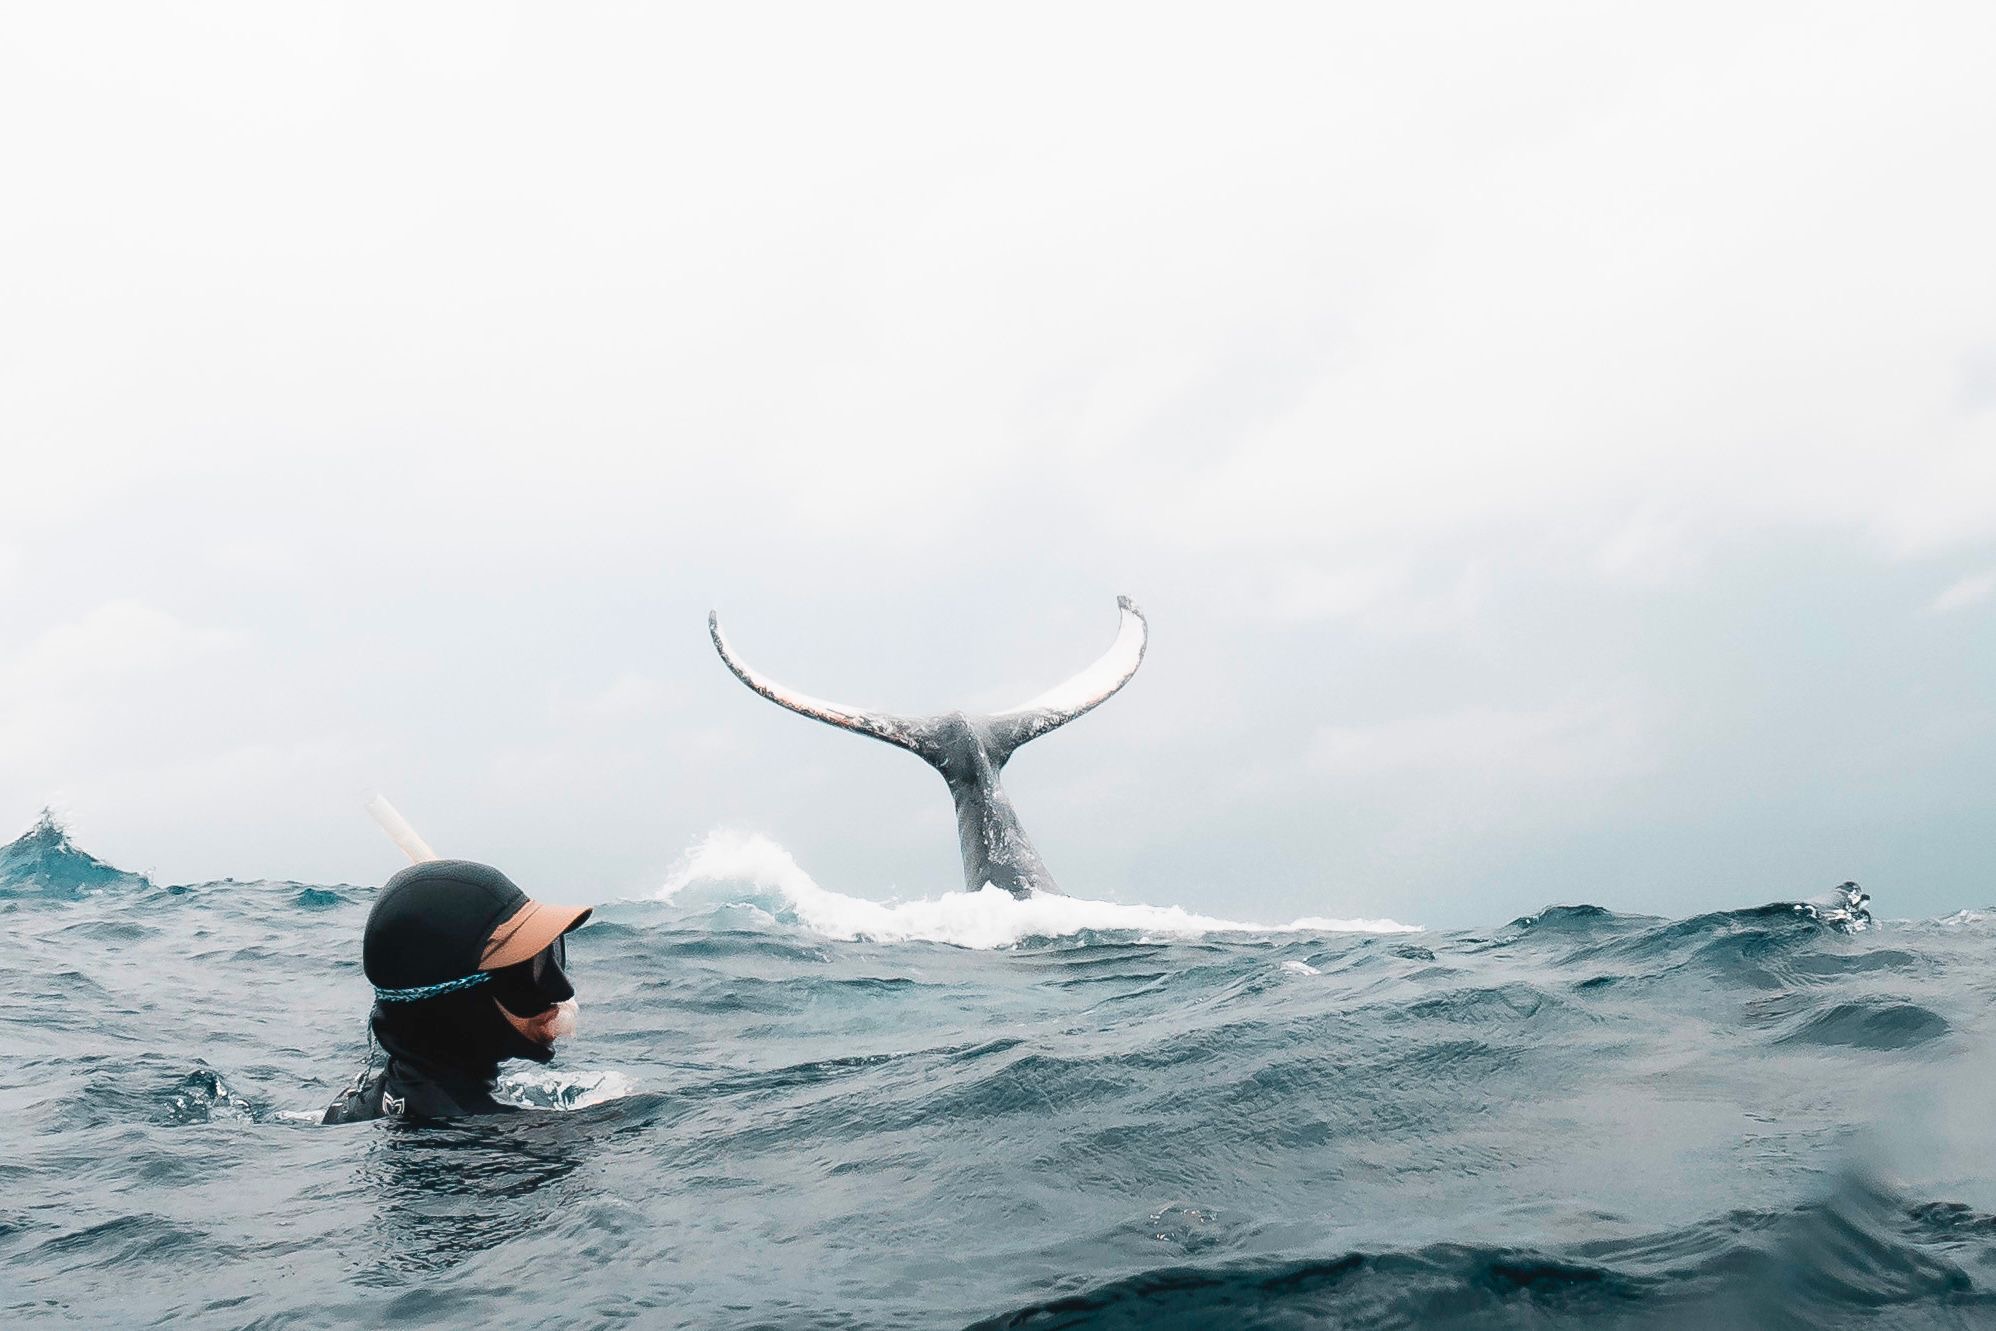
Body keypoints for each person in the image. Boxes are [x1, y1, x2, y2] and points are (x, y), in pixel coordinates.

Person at [322, 859, 592, 1124]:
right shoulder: (513, 1149)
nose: (561, 990)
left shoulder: (356, 1107)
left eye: (550, 954)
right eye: (529, 968)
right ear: (456, 1005)